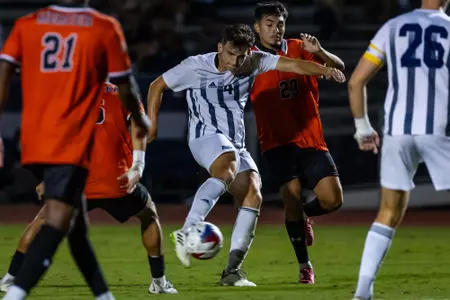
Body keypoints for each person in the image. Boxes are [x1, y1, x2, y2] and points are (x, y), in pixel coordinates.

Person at [146, 23, 345, 286]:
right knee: (227, 165)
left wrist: (325, 69)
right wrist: (151, 125)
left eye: (240, 56)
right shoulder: (195, 66)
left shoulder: (254, 61)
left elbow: (294, 65)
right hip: (204, 137)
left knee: (253, 192)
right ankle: (188, 229)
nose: (235, 61)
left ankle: (231, 271)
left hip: (234, 143)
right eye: (230, 53)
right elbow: (156, 85)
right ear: (220, 48)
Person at [0, 1, 149, 299]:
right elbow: (125, 85)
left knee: (76, 226)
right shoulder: (103, 26)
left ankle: (103, 295)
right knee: (55, 221)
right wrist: (141, 118)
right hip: (71, 141)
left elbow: (3, 76)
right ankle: (15, 293)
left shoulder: (26, 24)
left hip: (34, 141)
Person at [0, 83, 177, 295]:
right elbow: (141, 129)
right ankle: (159, 281)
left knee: (42, 221)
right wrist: (138, 164)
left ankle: (9, 279)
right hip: (116, 180)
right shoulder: (122, 91)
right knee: (149, 214)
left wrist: (48, 178)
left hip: (76, 179)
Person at [347, 0, 450, 299]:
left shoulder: (392, 28)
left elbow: (356, 82)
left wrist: (363, 129)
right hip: (436, 130)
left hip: (396, 132)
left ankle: (363, 292)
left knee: (388, 212)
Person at [250, 1, 346, 285]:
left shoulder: (299, 46)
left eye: (280, 23)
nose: (275, 29)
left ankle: (306, 215)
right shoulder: (250, 59)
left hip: (311, 138)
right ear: (257, 28)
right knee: (290, 199)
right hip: (277, 143)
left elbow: (339, 66)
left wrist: (320, 53)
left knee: (333, 200)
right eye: (269, 24)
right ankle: (305, 265)